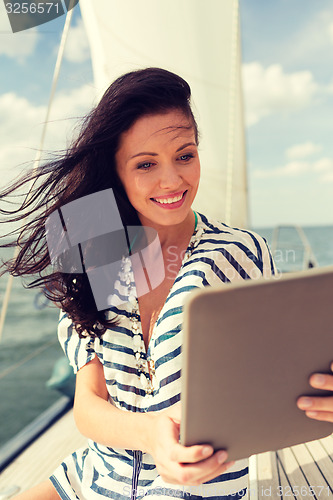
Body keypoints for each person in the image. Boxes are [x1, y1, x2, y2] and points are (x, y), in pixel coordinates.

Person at [1, 68, 332, 500]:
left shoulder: (237, 255)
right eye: (145, 164)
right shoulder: (95, 243)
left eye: (185, 155)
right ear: (115, 170)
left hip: (194, 489)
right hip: (94, 476)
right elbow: (88, 404)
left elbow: (283, 375)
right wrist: (149, 433)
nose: (173, 181)